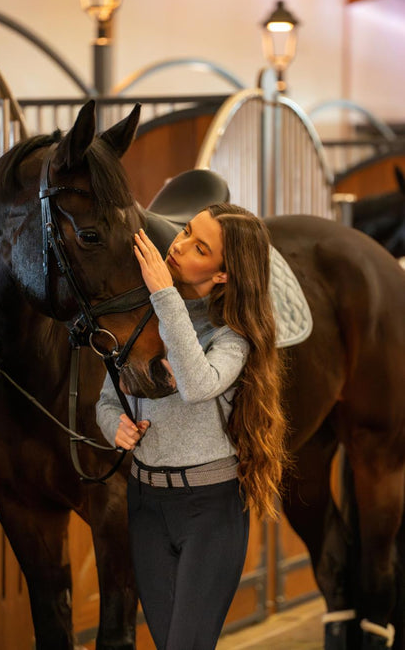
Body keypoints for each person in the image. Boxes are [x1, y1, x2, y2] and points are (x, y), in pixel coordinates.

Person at [96, 202, 288, 650]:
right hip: (145, 505)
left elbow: (197, 384)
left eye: (199, 248)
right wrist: (114, 427)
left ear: (222, 274)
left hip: (209, 511)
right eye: (185, 232)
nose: (178, 247)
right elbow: (108, 397)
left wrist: (164, 296)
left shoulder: (230, 335)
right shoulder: (145, 314)